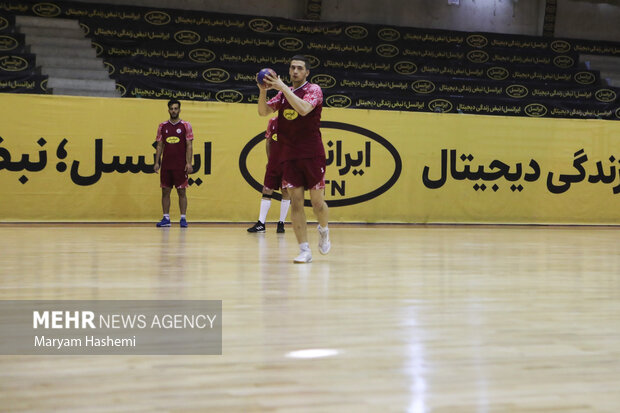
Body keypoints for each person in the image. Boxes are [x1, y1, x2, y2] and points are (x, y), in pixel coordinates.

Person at [256, 55, 330, 263]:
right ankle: (304, 249)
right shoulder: (281, 96)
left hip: (312, 153)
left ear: (307, 73)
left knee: (317, 203)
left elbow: (304, 109)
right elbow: (263, 111)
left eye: (299, 68)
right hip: (290, 155)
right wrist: (263, 91)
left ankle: (323, 229)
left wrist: (282, 88)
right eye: (292, 68)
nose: (295, 71)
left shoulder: (313, 90)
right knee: (296, 202)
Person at [153, 99, 194, 228]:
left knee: (182, 192)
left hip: (180, 165)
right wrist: (157, 162)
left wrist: (189, 163)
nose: (174, 111)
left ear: (179, 110)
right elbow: (159, 145)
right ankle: (166, 218)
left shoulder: (186, 125)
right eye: (171, 108)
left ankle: (183, 218)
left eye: (176, 108)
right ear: (168, 110)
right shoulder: (162, 126)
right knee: (165, 191)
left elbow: (189, 145)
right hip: (166, 165)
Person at [247, 117, 291, 233]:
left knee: (286, 191)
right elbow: (268, 142)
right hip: (274, 163)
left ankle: (281, 223)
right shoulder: (273, 121)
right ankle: (261, 223)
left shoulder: (296, 121)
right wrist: (270, 160)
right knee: (267, 190)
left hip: (288, 163)